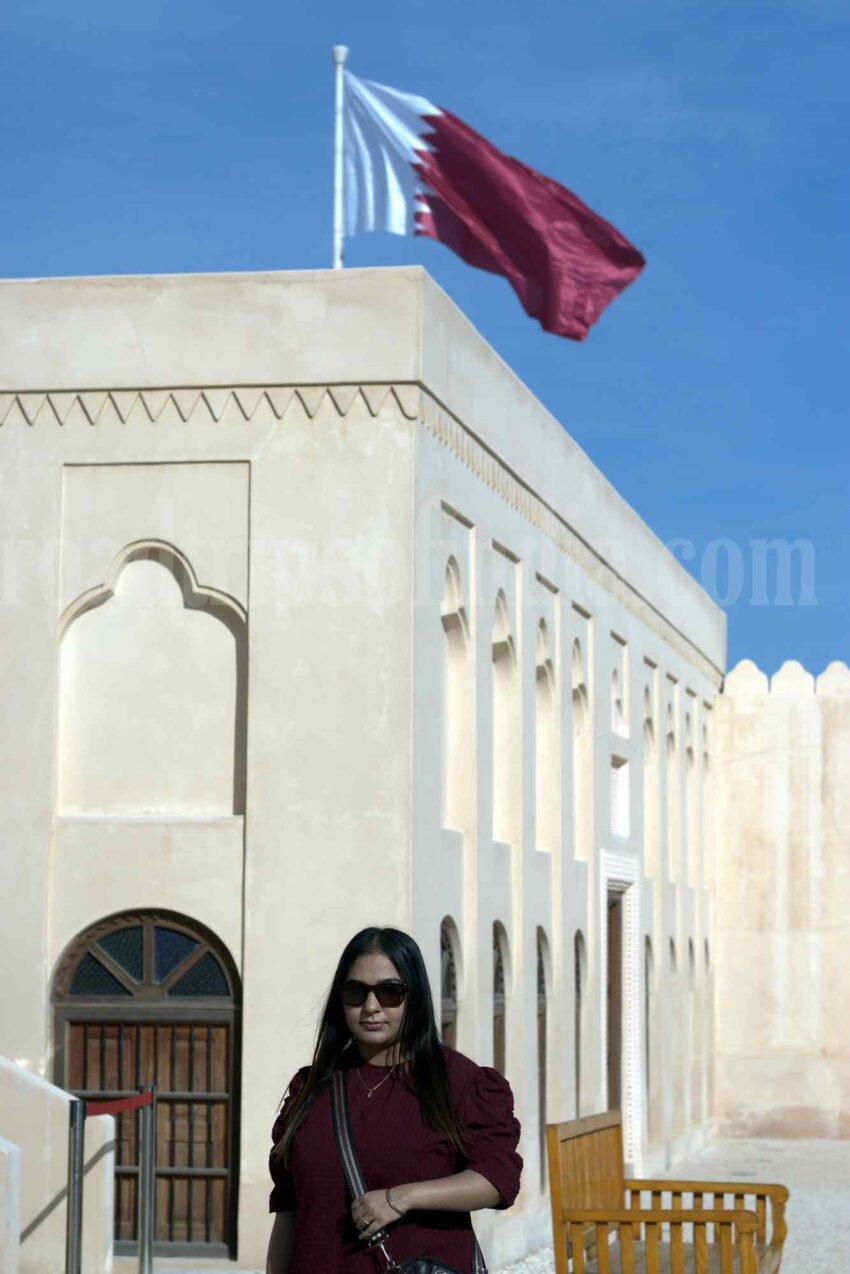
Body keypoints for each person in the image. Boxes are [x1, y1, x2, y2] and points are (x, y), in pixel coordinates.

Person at [267, 926, 523, 1273]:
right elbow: (289, 1208)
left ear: (413, 995)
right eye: (356, 992)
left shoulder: (457, 1082)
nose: (371, 1006)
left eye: (390, 992)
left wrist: (402, 1198)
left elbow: (496, 1179)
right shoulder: (312, 1088)